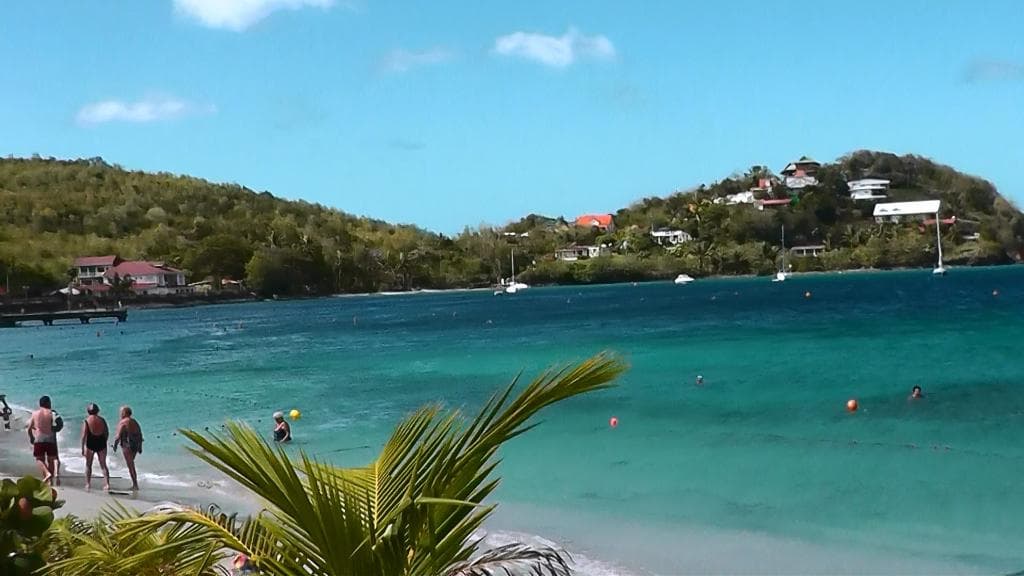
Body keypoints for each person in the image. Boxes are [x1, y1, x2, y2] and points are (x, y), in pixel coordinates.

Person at [27, 395, 60, 484]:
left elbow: (29, 428)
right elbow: (58, 425)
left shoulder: (35, 413)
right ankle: (50, 482)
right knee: (51, 461)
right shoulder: (52, 413)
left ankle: (47, 474)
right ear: (48, 403)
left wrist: (31, 437)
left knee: (39, 459)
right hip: (51, 439)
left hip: (39, 439)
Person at [80, 403, 110, 491]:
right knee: (103, 464)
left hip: (91, 442)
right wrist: (104, 441)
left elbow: (84, 435)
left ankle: (88, 484)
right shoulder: (102, 420)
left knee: (88, 465)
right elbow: (106, 432)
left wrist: (82, 447)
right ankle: (107, 484)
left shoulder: (87, 421)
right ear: (97, 410)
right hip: (101, 441)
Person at [113, 406, 143, 491]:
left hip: (127, 444)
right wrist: (140, 447)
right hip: (135, 444)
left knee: (130, 465)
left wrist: (115, 445)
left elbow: (118, 436)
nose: (120, 414)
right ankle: (135, 483)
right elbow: (139, 434)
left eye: (121, 412)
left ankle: (135, 484)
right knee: (131, 463)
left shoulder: (123, 422)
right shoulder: (134, 421)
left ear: (124, 413)